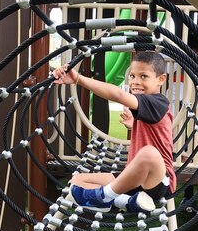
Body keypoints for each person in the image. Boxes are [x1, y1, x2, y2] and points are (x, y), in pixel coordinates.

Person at [53, 50, 176, 213]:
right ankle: (127, 202)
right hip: (135, 179)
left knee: (149, 153)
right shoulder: (147, 107)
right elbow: (157, 132)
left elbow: (117, 94)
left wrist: (78, 79)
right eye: (132, 76)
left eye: (143, 76)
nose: (135, 82)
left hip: (158, 180)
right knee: (77, 181)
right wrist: (133, 126)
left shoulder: (158, 102)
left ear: (161, 79)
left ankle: (105, 196)